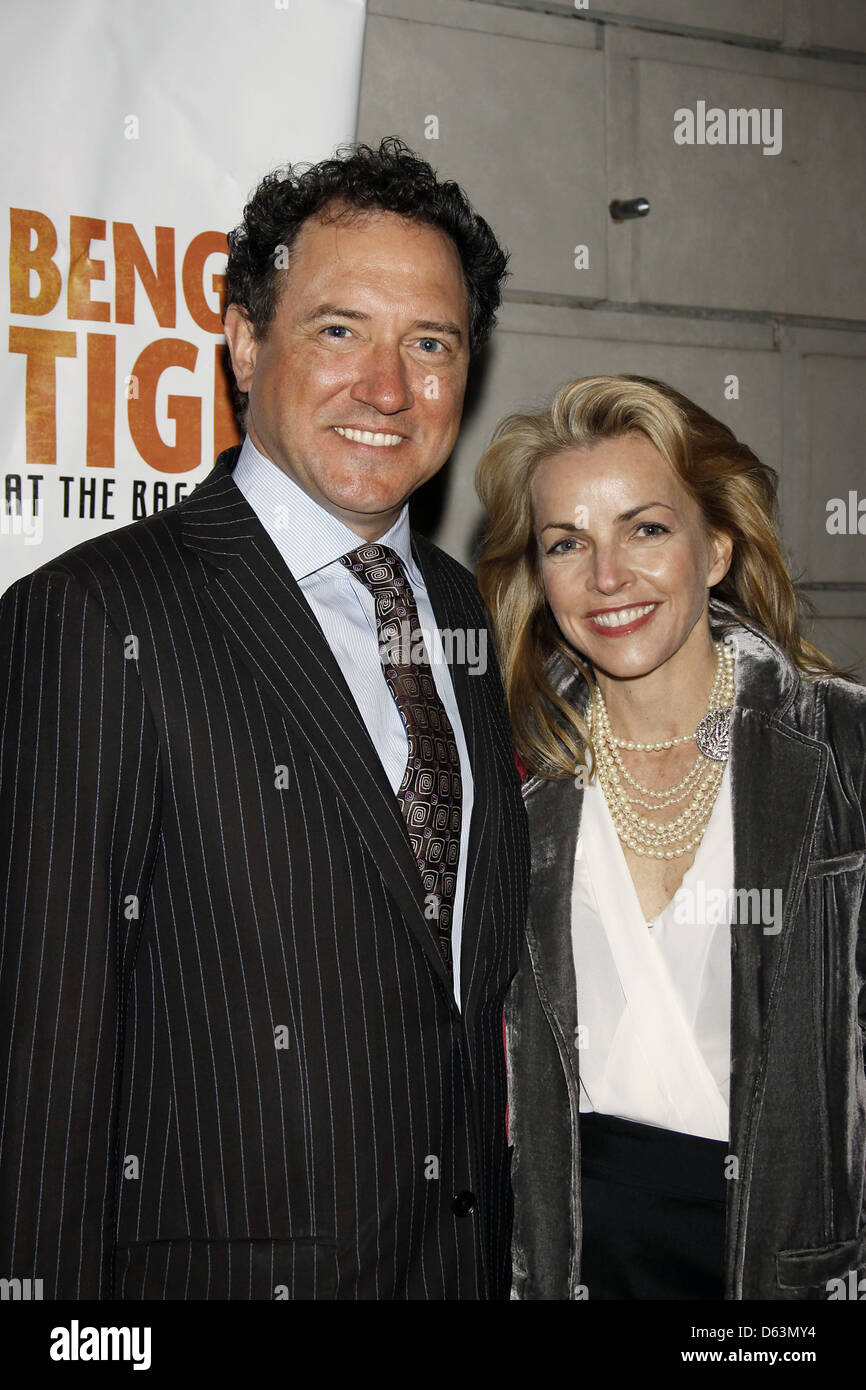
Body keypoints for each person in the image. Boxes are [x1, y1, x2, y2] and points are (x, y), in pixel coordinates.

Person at [0, 138, 529, 1300]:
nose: (386, 388)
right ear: (244, 342)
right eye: (338, 329)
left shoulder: (458, 610)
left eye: (428, 343)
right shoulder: (92, 618)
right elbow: (38, 1073)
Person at [476, 373, 866, 1300]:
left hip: (786, 1272)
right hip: (572, 1261)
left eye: (646, 529)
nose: (607, 577)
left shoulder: (846, 752)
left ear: (718, 546)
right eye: (567, 543)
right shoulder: (507, 774)